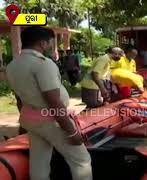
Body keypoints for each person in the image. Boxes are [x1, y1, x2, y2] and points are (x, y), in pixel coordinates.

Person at [6, 26, 92, 180]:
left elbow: (19, 97)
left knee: (39, 163)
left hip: (31, 120)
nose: (52, 45)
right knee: (81, 160)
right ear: (42, 43)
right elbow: (53, 100)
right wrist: (71, 131)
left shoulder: (13, 65)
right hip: (50, 120)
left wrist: (23, 123)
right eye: (51, 42)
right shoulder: (43, 64)